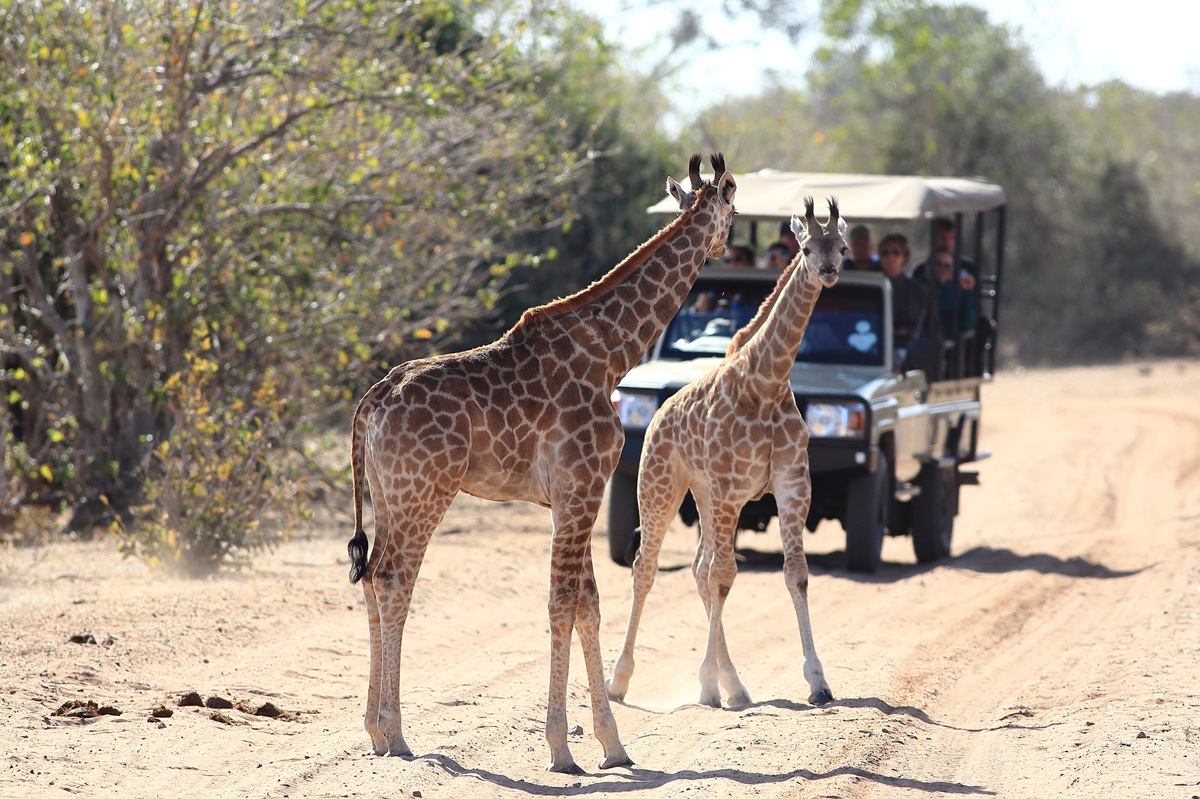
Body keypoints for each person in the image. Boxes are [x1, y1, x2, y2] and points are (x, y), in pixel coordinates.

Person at [876, 233, 928, 350]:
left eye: (896, 252)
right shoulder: (872, 286)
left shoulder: (917, 290)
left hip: (907, 349)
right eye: (885, 252)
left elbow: (923, 326)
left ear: (904, 256)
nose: (890, 257)